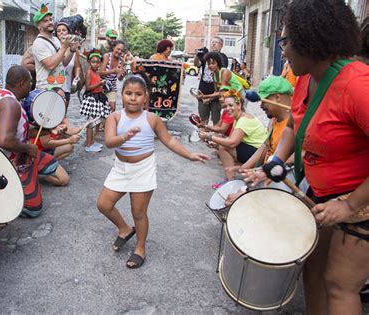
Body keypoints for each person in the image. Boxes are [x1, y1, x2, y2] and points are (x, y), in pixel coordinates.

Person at [245, 1, 369, 313]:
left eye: (285, 41)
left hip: (361, 201)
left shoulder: (357, 85)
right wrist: (274, 163)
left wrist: (350, 204)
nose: (283, 50)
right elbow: (292, 128)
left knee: (341, 285)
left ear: (311, 39)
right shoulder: (305, 78)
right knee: (313, 269)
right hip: (323, 195)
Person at [96, 75, 210, 269]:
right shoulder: (114, 117)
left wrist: (189, 155)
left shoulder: (152, 119)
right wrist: (125, 136)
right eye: (129, 93)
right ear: (122, 95)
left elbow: (170, 141)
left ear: (146, 97)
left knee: (138, 212)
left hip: (143, 168)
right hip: (120, 168)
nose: (133, 98)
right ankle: (124, 229)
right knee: (103, 204)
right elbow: (109, 142)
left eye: (138, 94)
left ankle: (140, 248)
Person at [0, 66, 69, 219]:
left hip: (22, 153)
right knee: (33, 210)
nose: (31, 86)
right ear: (22, 83)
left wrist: (49, 132)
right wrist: (29, 149)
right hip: (8, 160)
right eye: (30, 82)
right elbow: (4, 140)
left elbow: (21, 127)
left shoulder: (9, 98)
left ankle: (29, 178)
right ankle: (7, 194)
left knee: (63, 178)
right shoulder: (10, 104)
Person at [224, 76, 293, 205]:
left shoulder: (294, 126)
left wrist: (247, 190)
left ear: (277, 97)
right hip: (265, 173)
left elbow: (289, 165)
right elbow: (265, 146)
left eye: (264, 101)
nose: (261, 106)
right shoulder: (274, 120)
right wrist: (243, 168)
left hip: (278, 184)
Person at [199, 89, 266, 180]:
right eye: (225, 106)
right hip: (253, 150)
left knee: (223, 147)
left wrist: (209, 137)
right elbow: (230, 138)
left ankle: (230, 181)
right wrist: (215, 144)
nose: (227, 109)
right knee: (221, 145)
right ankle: (232, 177)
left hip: (259, 154)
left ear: (239, 105)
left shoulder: (244, 120)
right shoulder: (238, 118)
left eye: (231, 105)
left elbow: (232, 143)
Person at [31, 4, 76, 93]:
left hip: (60, 89)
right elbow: (50, 65)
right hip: (46, 90)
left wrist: (72, 49)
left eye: (51, 19)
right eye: (45, 21)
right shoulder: (39, 43)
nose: (50, 22)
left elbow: (64, 62)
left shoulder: (55, 40)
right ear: (38, 26)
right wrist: (64, 47)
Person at [80, 51, 110, 152]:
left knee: (96, 120)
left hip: (98, 96)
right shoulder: (89, 72)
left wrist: (102, 84)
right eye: (93, 62)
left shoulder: (97, 72)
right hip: (92, 98)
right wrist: (99, 84)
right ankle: (88, 145)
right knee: (90, 122)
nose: (95, 64)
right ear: (89, 62)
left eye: (97, 62)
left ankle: (92, 142)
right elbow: (88, 87)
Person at [55, 21, 82, 110]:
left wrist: (77, 75)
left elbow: (77, 66)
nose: (61, 32)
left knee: (63, 115)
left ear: (68, 33)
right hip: (54, 87)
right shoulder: (54, 47)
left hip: (66, 87)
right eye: (58, 31)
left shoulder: (74, 49)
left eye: (64, 30)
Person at [193, 47, 220, 125]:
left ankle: (214, 136)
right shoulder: (205, 60)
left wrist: (209, 98)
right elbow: (196, 64)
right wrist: (197, 55)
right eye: (209, 63)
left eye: (213, 63)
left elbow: (219, 90)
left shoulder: (220, 70)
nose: (210, 65)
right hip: (203, 93)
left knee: (216, 119)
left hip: (215, 97)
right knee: (203, 119)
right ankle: (204, 136)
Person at [100, 40, 125, 113]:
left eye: (121, 50)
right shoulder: (107, 56)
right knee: (101, 109)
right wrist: (113, 71)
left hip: (112, 87)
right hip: (101, 86)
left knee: (112, 108)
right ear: (113, 47)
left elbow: (120, 79)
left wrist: (122, 75)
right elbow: (100, 73)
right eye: (118, 49)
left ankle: (110, 123)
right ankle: (102, 124)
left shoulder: (122, 61)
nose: (119, 52)